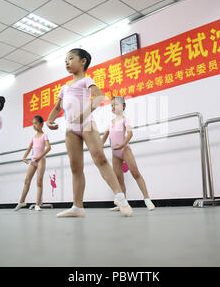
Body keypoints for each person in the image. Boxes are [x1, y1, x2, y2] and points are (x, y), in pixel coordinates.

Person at [46, 48, 133, 217]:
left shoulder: (86, 80)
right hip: (70, 129)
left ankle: (120, 198)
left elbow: (99, 97)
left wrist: (83, 115)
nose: (67, 62)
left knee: (99, 158)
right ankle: (77, 207)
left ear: (83, 61)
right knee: (75, 167)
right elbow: (57, 107)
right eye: (65, 60)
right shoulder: (64, 87)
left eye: (70, 58)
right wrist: (50, 121)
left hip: (86, 124)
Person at [101, 96, 155, 211]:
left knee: (135, 173)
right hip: (115, 153)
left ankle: (147, 199)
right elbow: (104, 138)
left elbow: (130, 134)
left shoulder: (125, 120)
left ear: (123, 106)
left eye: (116, 104)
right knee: (119, 179)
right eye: (111, 105)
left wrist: (122, 144)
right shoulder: (110, 123)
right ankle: (123, 203)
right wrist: (97, 148)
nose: (113, 107)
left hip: (125, 150)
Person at [14, 115, 51, 211]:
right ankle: (21, 202)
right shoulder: (33, 137)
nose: (34, 125)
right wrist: (24, 157)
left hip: (41, 160)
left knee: (39, 182)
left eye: (36, 123)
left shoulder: (44, 135)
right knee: (27, 180)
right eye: (33, 124)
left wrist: (40, 157)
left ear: (42, 124)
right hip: (33, 160)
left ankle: (37, 204)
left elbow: (48, 148)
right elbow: (29, 148)